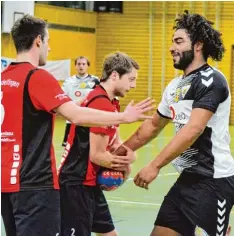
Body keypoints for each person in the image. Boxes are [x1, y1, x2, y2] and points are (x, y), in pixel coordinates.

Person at [1, 15, 154, 236]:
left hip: (7, 183)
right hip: (36, 185)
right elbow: (76, 116)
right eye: (48, 41)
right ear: (37, 41)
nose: (49, 48)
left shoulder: (4, 78)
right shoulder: (36, 77)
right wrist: (124, 117)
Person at [115, 11, 234, 236]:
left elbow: (193, 129)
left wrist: (154, 165)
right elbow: (152, 126)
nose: (171, 47)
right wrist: (121, 152)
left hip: (214, 181)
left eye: (179, 41)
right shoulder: (175, 86)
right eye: (172, 42)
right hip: (188, 180)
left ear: (198, 46)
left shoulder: (212, 80)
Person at [58, 52, 140, 236]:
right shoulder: (100, 102)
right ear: (114, 75)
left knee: (109, 233)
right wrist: (125, 166)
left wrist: (129, 156)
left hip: (89, 182)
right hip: (76, 184)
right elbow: (97, 155)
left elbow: (115, 146)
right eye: (131, 79)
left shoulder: (111, 102)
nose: (133, 85)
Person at [61, 56, 100, 146]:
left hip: (89, 120)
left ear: (87, 66)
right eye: (78, 64)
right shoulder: (68, 82)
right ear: (75, 66)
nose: (81, 66)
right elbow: (63, 98)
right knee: (69, 149)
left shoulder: (95, 81)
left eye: (83, 64)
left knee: (89, 147)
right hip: (72, 121)